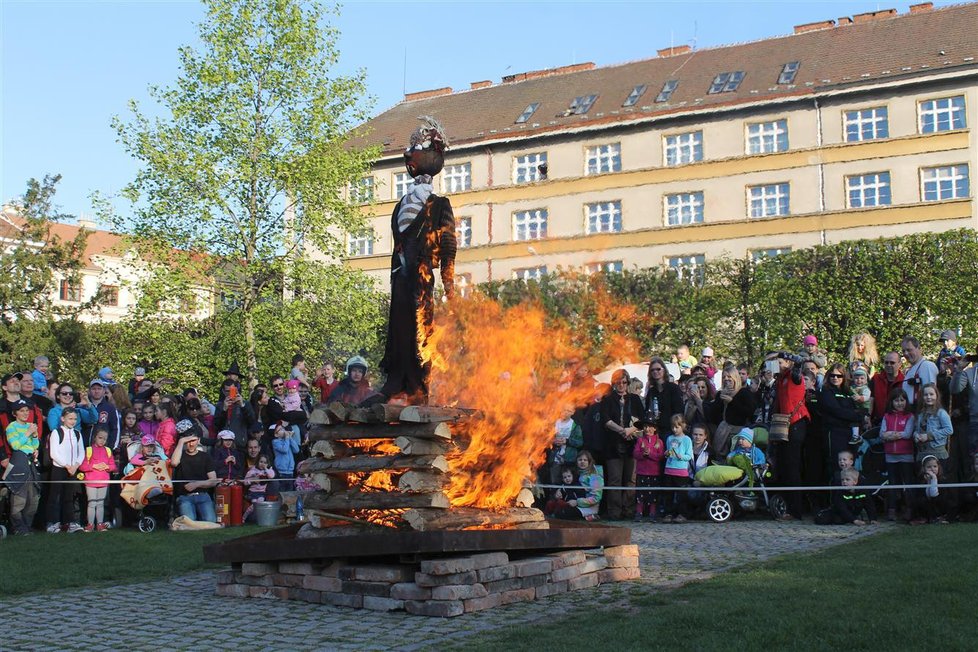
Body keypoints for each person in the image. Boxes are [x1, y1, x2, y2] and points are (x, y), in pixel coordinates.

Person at [379, 117, 457, 403]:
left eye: (417, 148)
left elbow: (448, 246)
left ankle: (418, 384)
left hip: (421, 276)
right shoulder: (400, 204)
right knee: (398, 327)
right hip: (400, 276)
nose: (409, 155)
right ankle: (396, 381)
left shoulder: (439, 204)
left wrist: (450, 289)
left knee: (420, 328)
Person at [599, 369, 643, 520]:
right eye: (618, 382)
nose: (621, 385)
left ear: (628, 383)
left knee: (631, 480)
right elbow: (606, 420)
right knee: (615, 479)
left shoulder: (635, 399)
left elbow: (642, 420)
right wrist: (622, 430)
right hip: (613, 444)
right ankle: (614, 512)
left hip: (632, 445)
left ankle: (629, 510)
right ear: (614, 383)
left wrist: (630, 430)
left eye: (624, 382)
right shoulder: (608, 399)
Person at [772, 352, 810, 520]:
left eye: (779, 362)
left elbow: (798, 368)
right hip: (784, 424)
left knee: (793, 466)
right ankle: (788, 506)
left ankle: (796, 510)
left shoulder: (793, 376)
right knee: (785, 465)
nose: (777, 365)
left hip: (796, 422)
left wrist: (791, 359)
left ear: (787, 363)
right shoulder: (780, 379)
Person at [46, 407, 85, 533]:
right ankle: (53, 523)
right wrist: (67, 466)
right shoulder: (56, 433)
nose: (73, 421)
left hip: (73, 470)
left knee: (69, 497)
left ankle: (69, 522)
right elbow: (54, 453)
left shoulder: (77, 433)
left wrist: (75, 465)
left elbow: (82, 452)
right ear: (63, 419)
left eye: (75, 419)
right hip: (59, 469)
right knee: (55, 496)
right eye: (70, 418)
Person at [880, 388, 915, 521]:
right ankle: (892, 509)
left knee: (908, 483)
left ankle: (909, 508)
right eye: (896, 400)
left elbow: (907, 434)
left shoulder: (910, 416)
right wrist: (888, 435)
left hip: (906, 455)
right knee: (893, 483)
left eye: (902, 400)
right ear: (891, 402)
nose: (899, 403)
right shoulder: (887, 416)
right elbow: (882, 434)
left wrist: (891, 435)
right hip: (890, 456)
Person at [707, 368, 756, 461]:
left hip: (739, 431)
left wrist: (732, 401)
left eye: (729, 376)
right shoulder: (720, 394)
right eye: (724, 377)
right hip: (723, 430)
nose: (726, 379)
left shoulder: (744, 392)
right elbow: (713, 415)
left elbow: (749, 412)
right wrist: (720, 400)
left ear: (735, 377)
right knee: (719, 456)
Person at [821, 363, 863, 468]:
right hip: (835, 432)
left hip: (850, 433)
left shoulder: (848, 391)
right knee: (837, 464)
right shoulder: (826, 392)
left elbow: (857, 408)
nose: (835, 378)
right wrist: (856, 415)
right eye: (832, 375)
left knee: (850, 464)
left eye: (839, 376)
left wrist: (861, 415)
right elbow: (836, 410)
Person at [170, 433, 218, 522]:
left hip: (203, 496)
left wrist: (196, 484)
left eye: (193, 441)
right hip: (185, 497)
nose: (191, 444)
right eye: (188, 441)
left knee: (210, 521)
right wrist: (180, 442)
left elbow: (213, 481)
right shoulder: (180, 455)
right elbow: (174, 463)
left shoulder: (205, 456)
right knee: (189, 522)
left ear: (198, 440)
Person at [79, 427, 117, 531]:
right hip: (91, 481)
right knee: (92, 503)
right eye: (100, 438)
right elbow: (82, 466)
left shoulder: (108, 450)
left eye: (105, 439)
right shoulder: (89, 450)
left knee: (100, 503)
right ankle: (90, 524)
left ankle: (100, 524)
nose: (102, 440)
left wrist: (107, 467)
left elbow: (113, 466)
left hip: (104, 480)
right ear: (95, 437)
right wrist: (94, 466)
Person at [552, 450, 604, 521]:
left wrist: (577, 502)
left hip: (589, 507)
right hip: (574, 503)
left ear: (589, 461)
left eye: (585, 460)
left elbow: (596, 497)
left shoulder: (595, 475)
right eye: (580, 460)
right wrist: (559, 491)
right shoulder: (576, 472)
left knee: (563, 513)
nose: (582, 462)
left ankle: (590, 516)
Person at [911, 383, 952, 472]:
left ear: (936, 396)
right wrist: (916, 436)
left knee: (939, 478)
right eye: (926, 395)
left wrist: (929, 436)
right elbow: (915, 430)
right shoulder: (920, 414)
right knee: (924, 479)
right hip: (922, 452)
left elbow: (949, 430)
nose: (929, 397)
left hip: (937, 452)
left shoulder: (941, 413)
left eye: (931, 394)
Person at [661, 414, 693, 523]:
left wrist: (681, 457)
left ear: (683, 425)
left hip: (681, 472)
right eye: (673, 427)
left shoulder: (687, 439)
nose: (674, 429)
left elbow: (689, 456)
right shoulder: (669, 438)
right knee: (668, 494)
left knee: (681, 495)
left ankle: (682, 514)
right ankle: (668, 513)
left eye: (677, 427)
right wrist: (666, 454)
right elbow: (667, 452)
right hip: (669, 469)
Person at [632, 418, 664, 522]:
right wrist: (643, 454)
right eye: (645, 427)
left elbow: (660, 456)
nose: (647, 429)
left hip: (654, 472)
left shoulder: (659, 442)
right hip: (642, 472)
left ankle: (652, 513)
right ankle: (639, 512)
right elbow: (635, 454)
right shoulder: (640, 440)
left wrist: (650, 454)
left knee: (653, 494)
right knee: (640, 493)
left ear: (655, 428)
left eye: (650, 427)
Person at [644, 356, 684, 434]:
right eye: (652, 370)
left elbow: (679, 411)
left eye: (658, 369)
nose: (655, 372)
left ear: (664, 370)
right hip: (655, 432)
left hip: (671, 431)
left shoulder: (673, 388)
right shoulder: (651, 391)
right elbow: (647, 411)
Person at [910, 455, 950, 525]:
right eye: (929, 467)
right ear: (924, 468)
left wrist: (934, 479)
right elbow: (925, 495)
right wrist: (928, 481)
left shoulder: (943, 480)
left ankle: (938, 517)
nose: (932, 469)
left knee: (939, 500)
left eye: (935, 466)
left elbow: (934, 495)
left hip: (939, 505)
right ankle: (924, 518)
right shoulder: (920, 480)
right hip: (926, 505)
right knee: (920, 500)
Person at [549, 405, 582, 485]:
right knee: (555, 482)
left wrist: (566, 441)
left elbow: (579, 442)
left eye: (568, 410)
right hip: (555, 459)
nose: (565, 412)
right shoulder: (554, 424)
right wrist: (552, 441)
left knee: (569, 482)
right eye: (563, 410)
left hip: (569, 459)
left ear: (572, 412)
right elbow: (545, 439)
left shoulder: (575, 426)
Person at [901, 336, 937, 406]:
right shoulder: (911, 369)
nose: (906, 353)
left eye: (909, 350)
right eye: (903, 351)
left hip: (921, 411)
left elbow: (930, 395)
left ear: (919, 349)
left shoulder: (926, 366)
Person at [871, 352, 905, 424]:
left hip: (897, 423)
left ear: (900, 364)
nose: (888, 365)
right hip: (877, 422)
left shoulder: (905, 381)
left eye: (892, 363)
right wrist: (868, 416)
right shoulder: (875, 379)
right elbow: (871, 399)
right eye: (886, 362)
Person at [242, 454, 276, 522]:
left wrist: (266, 469)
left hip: (261, 493)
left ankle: (260, 518)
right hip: (252, 493)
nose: (262, 464)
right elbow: (245, 482)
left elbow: (272, 476)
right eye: (261, 462)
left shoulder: (268, 471)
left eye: (265, 462)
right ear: (257, 462)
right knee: (254, 505)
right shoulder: (252, 471)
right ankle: (244, 517)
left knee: (260, 502)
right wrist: (252, 480)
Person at [272, 424, 300, 492]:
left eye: (283, 428)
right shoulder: (275, 442)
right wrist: (287, 438)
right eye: (280, 430)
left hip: (290, 472)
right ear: (276, 435)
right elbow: (284, 450)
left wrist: (290, 438)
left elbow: (296, 450)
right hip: (281, 472)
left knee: (289, 493)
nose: (283, 431)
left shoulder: (287, 440)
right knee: (282, 493)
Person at [849, 368, 872, 445]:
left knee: (855, 419)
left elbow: (866, 397)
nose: (859, 380)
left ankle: (856, 436)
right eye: (856, 378)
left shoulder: (865, 389)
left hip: (863, 408)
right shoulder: (852, 388)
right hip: (855, 408)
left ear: (865, 380)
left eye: (862, 378)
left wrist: (860, 398)